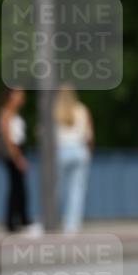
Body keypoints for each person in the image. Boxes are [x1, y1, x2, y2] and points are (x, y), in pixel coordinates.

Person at [0, 88, 38, 234]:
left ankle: (20, 219)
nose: (22, 97)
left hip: (19, 150)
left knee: (19, 187)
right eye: (19, 95)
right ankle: (15, 221)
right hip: (13, 153)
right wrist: (18, 158)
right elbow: (8, 139)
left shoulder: (16, 114)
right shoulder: (6, 113)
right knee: (16, 188)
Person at [54, 86, 94, 233]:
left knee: (56, 189)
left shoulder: (54, 111)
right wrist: (89, 152)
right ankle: (72, 225)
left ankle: (53, 220)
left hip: (60, 152)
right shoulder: (82, 109)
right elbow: (89, 135)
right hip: (79, 151)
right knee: (77, 190)